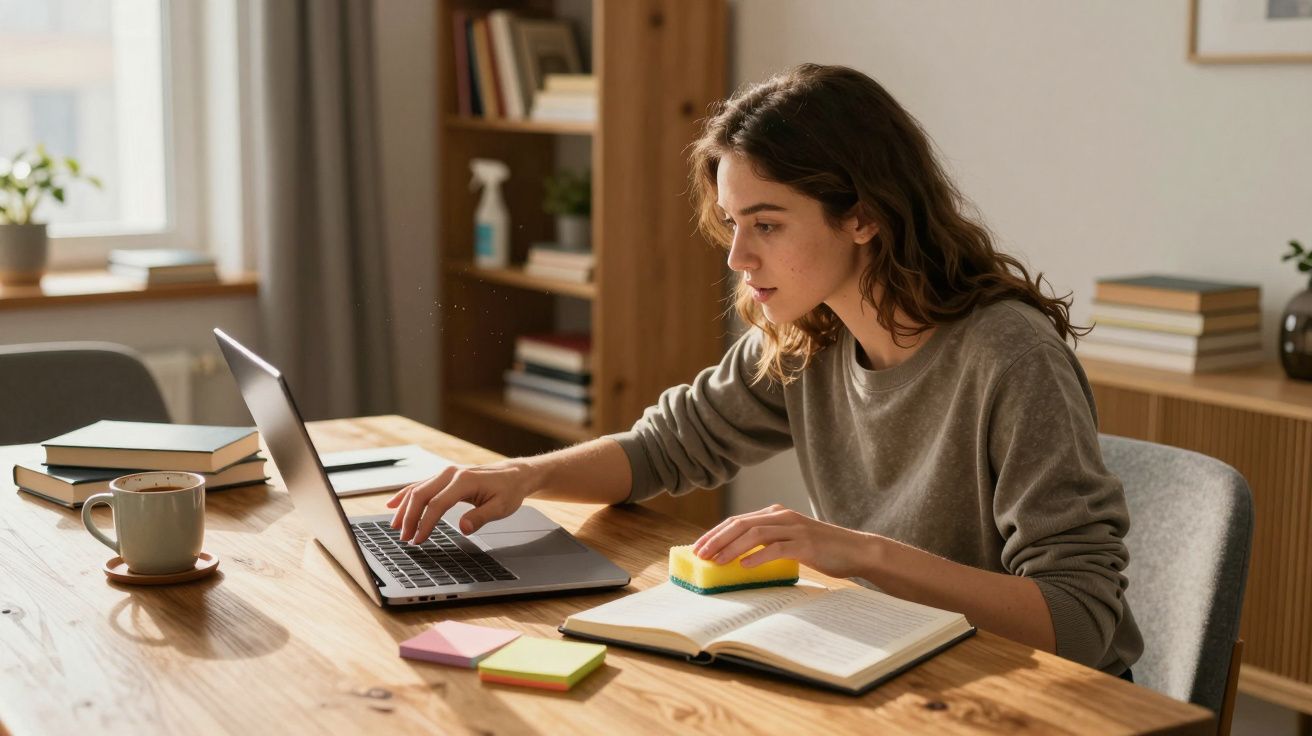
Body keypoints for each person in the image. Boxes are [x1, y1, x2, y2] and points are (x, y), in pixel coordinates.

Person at [389, 63, 1142, 678]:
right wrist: (525, 475)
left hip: (1038, 700)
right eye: (733, 223)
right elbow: (663, 450)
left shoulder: (1010, 357)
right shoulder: (810, 335)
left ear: (863, 216)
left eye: (768, 225)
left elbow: (1077, 622)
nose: (738, 257)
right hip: (901, 670)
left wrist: (852, 550)